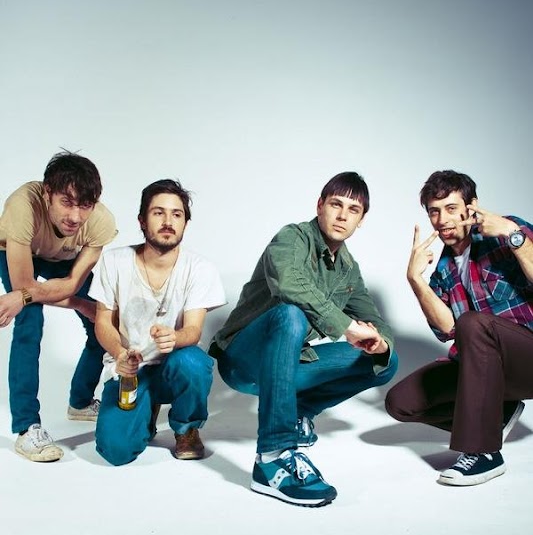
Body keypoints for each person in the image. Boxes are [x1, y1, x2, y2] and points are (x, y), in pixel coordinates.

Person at [210, 171, 398, 507]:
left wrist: (378, 341)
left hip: (287, 365)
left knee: (385, 360)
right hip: (242, 361)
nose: (342, 215)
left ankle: (299, 412)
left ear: (361, 220)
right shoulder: (292, 238)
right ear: (320, 205)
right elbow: (290, 285)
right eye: (336, 204)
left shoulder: (348, 269)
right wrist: (347, 327)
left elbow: (376, 319)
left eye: (353, 210)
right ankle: (272, 457)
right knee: (290, 314)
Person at [385, 169, 533, 486]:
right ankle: (497, 415)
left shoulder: (506, 232)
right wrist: (415, 280)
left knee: (474, 322)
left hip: (528, 360)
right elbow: (447, 329)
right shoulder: (443, 269)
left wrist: (512, 234)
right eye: (434, 211)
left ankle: (484, 453)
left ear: (471, 206)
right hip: (488, 371)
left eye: (451, 208)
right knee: (400, 402)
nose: (442, 220)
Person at [90, 178, 226, 466]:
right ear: (142, 220)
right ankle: (146, 411)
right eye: (158, 213)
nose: (168, 222)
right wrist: (119, 354)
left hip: (172, 367)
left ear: (185, 223)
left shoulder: (200, 268)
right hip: (130, 369)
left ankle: (186, 428)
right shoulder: (114, 261)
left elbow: (193, 330)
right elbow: (102, 321)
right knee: (116, 451)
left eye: (177, 214)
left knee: (192, 361)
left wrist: (175, 338)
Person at [0, 151, 117, 462]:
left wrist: (85, 305)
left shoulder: (101, 222)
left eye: (85, 205)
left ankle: (80, 402)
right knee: (30, 320)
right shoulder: (22, 206)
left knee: (102, 321)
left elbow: (72, 283)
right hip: (18, 252)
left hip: (63, 260)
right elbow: (25, 287)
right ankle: (27, 427)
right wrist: (75, 303)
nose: (75, 217)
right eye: (66, 202)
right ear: (47, 193)